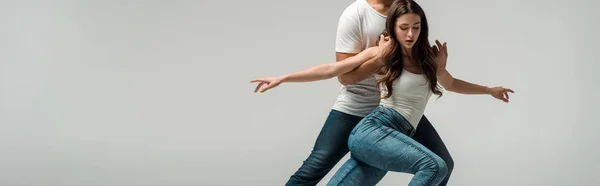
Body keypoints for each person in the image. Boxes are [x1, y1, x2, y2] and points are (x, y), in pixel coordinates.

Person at [251, 0, 514, 185]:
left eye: (416, 27)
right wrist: (284, 77)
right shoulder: (381, 48)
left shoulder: (429, 59)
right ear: (392, 28)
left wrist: (489, 90)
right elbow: (335, 70)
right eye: (403, 28)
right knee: (433, 166)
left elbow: (453, 83)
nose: (410, 33)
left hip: (398, 129)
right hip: (371, 121)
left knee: (442, 166)